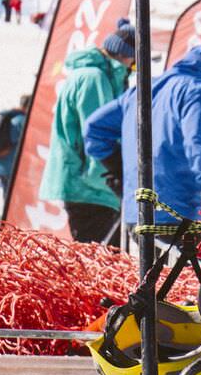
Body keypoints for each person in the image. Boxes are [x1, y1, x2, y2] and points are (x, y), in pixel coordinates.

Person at [84, 42, 201, 233]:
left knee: (142, 263)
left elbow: (93, 128)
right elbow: (198, 144)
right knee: (188, 263)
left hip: (135, 210)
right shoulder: (199, 91)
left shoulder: (142, 89)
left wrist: (118, 168)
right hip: (176, 210)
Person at [43, 24, 136, 243]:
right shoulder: (94, 79)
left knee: (95, 261)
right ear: (126, 56)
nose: (133, 69)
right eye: (134, 64)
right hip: (90, 189)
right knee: (98, 264)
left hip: (89, 189)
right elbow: (97, 136)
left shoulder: (94, 76)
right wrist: (109, 180)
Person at [0, 96, 28, 216]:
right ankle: (14, 223)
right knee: (17, 200)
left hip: (1, 166)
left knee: (8, 197)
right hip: (14, 168)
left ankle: (7, 221)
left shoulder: (7, 118)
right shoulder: (23, 121)